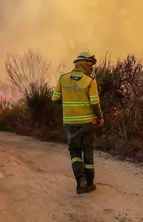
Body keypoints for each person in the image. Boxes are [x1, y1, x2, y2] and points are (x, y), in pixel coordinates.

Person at [52, 52, 104, 194]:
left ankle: (81, 180)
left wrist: (69, 104)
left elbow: (55, 99)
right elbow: (94, 103)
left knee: (74, 152)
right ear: (86, 64)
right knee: (88, 151)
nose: (92, 68)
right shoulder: (89, 80)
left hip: (70, 123)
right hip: (88, 122)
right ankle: (90, 184)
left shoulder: (63, 79)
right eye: (91, 64)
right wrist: (100, 117)